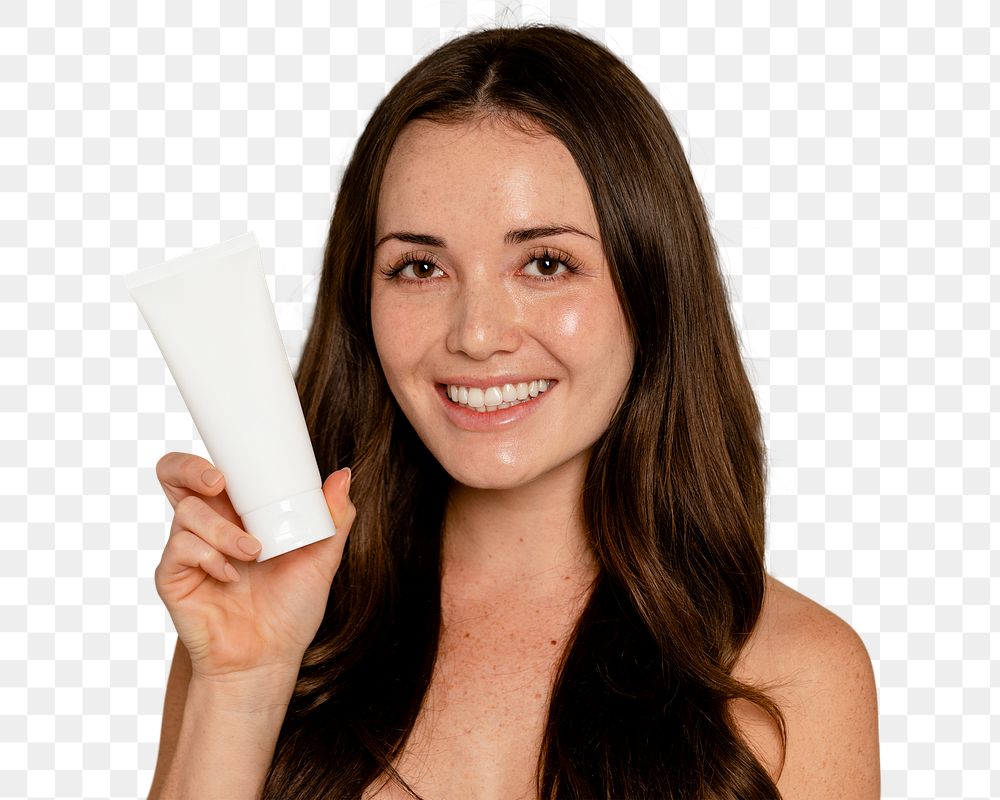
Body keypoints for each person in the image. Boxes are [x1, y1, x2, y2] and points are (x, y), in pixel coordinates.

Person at [146, 23, 879, 800]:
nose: (477, 335)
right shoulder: (265, 628)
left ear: (651, 284)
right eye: (420, 267)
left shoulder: (797, 675)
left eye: (545, 263)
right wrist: (241, 685)